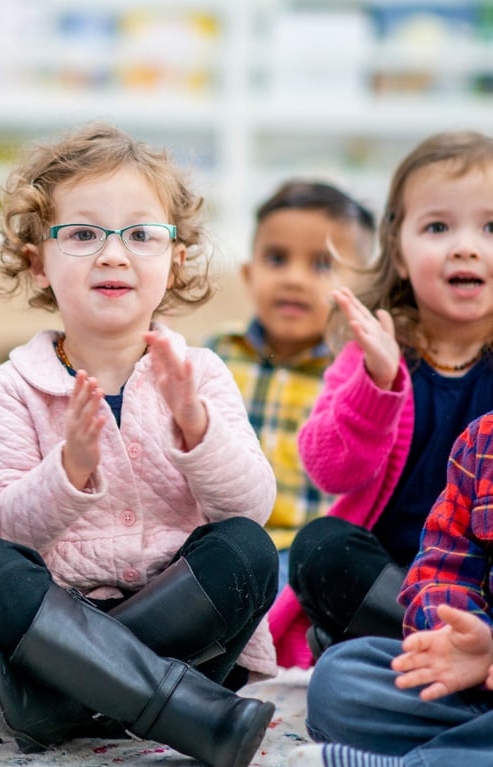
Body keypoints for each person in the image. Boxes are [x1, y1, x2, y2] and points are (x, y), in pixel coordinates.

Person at [0, 123, 279, 767]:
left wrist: (194, 426)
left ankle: (54, 707)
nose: (113, 254)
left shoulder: (201, 375)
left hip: (192, 634)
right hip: (58, 623)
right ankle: (185, 712)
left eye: (140, 235)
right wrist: (68, 469)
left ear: (175, 259)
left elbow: (251, 505)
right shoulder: (13, 384)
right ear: (36, 261)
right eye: (82, 234)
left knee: (248, 548)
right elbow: (5, 524)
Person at [269, 131, 493, 669]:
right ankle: (436, 651)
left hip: (480, 580)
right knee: (320, 547)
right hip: (386, 576)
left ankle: (430, 653)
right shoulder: (370, 354)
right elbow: (329, 471)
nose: (465, 245)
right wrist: (377, 381)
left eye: (490, 227)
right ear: (397, 250)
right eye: (437, 227)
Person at [288, 411, 493, 767]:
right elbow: (443, 567)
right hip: (479, 680)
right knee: (338, 679)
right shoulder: (483, 439)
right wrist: (456, 639)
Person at [205, 180, 376, 592]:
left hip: (310, 558)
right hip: (223, 545)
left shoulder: (359, 375)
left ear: (364, 288)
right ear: (249, 273)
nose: (294, 279)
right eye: (276, 258)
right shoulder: (217, 356)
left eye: (321, 265)